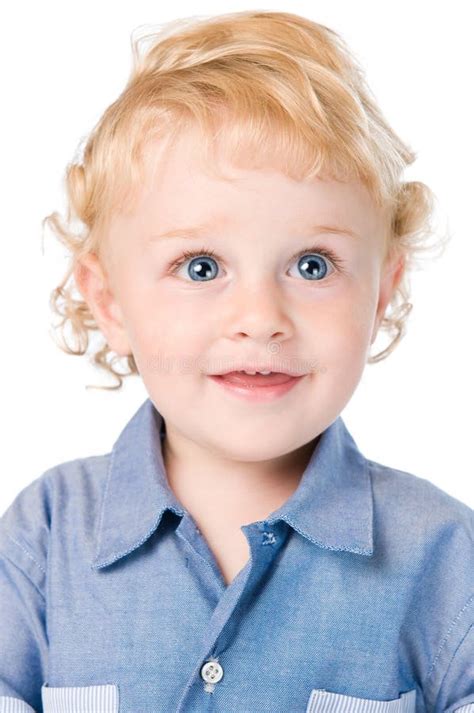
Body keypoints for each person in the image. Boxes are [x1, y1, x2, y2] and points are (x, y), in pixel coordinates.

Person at [0, 10, 472, 713]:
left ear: (382, 292)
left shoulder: (444, 557)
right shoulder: (43, 536)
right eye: (200, 266)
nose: (260, 318)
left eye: (313, 265)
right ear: (109, 299)